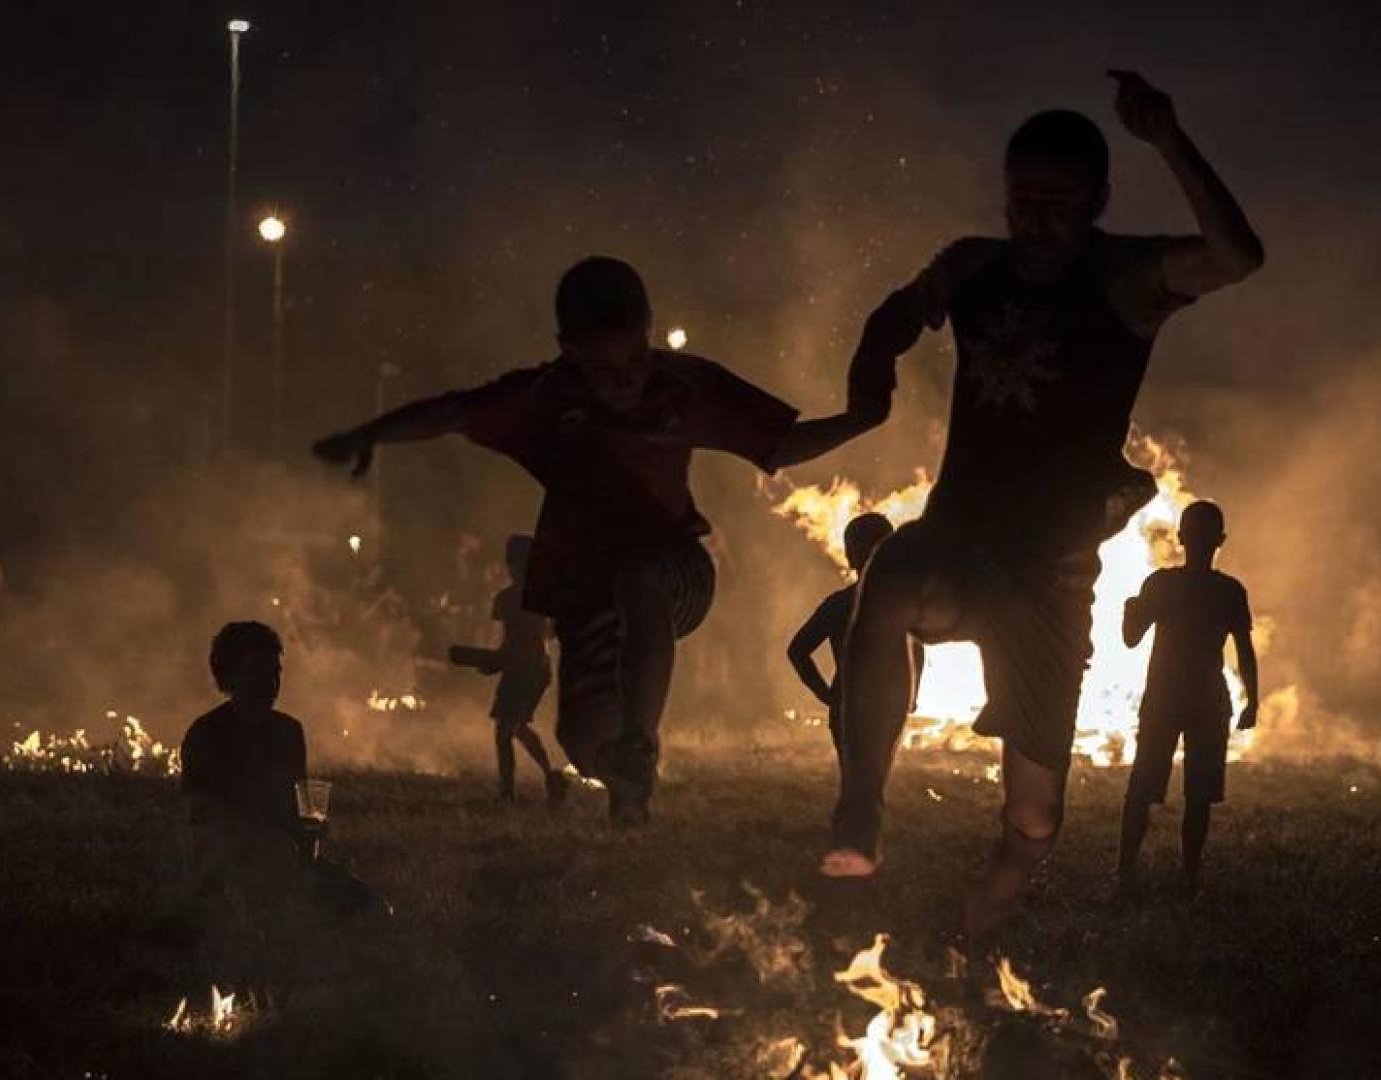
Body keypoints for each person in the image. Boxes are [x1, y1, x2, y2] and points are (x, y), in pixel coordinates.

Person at [821, 72, 1265, 941]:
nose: (1037, 220)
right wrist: (869, 384)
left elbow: (1239, 256)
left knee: (1034, 824)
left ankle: (978, 920)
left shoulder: (1128, 278)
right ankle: (859, 808)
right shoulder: (972, 266)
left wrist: (1169, 140)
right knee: (890, 578)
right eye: (1023, 200)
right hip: (956, 536)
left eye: (1059, 203)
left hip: (1051, 579)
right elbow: (896, 315)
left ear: (1098, 200)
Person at [314, 256, 883, 823]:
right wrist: (373, 434)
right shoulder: (544, 400)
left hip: (675, 575)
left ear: (650, 335)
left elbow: (780, 445)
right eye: (605, 370)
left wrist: (857, 420)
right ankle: (625, 782)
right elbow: (453, 411)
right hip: (584, 592)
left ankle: (639, 741)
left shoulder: (681, 387)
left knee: (640, 578)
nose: (625, 382)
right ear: (569, 349)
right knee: (582, 743)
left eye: (635, 361)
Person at [179, 621, 389, 923]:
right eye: (257, 672)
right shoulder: (207, 733)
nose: (271, 683)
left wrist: (311, 829)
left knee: (377, 911)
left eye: (275, 672)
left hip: (287, 860)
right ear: (230, 677)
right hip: (227, 866)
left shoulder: (288, 731)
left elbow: (298, 807)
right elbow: (201, 817)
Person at [1115, 501, 1258, 900]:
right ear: (1221, 541)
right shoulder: (1229, 591)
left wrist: (1130, 611)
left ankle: (1126, 878)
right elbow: (1245, 650)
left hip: (1166, 697)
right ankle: (1188, 880)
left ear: (1181, 539)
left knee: (1141, 790)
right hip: (1207, 702)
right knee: (1198, 797)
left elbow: (1130, 639)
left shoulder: (1162, 584)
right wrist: (1252, 700)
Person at [786, 513, 923, 763]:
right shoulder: (902, 602)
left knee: (855, 782)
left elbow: (797, 651)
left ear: (851, 555)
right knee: (875, 780)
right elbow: (917, 648)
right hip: (887, 706)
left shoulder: (838, 604)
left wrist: (825, 694)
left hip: (848, 706)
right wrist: (911, 694)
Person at [449, 535, 572, 805]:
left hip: (524, 671)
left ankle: (508, 792)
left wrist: (488, 661)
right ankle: (551, 777)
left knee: (505, 731)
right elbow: (549, 635)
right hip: (536, 669)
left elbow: (511, 645)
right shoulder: (540, 597)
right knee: (517, 728)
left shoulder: (507, 599)